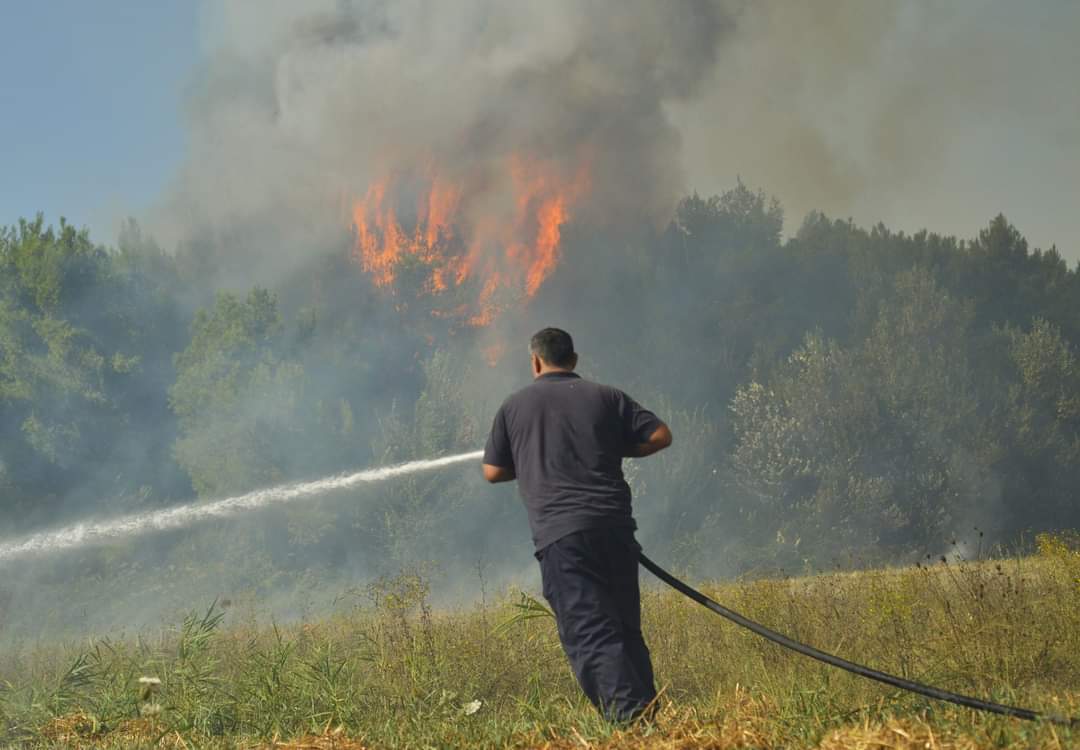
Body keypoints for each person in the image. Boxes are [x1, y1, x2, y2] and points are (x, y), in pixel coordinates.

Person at [482, 327, 673, 722]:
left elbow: (493, 471)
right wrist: (609, 445)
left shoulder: (514, 406)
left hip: (563, 537)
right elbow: (660, 435)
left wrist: (535, 457)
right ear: (574, 360)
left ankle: (635, 727)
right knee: (623, 629)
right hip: (616, 531)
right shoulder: (607, 396)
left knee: (590, 634)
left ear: (535, 361)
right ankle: (652, 724)